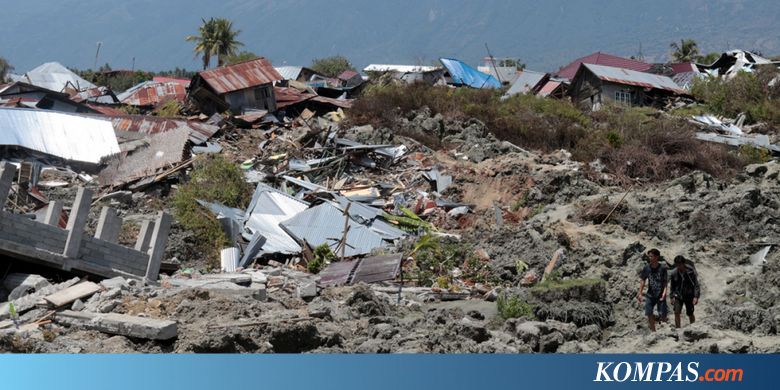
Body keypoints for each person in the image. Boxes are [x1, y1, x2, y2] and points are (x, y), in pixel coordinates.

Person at [637, 248, 668, 331]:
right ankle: (654, 331)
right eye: (649, 256)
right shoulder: (647, 268)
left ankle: (665, 331)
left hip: (661, 294)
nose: (649, 258)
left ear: (656, 257)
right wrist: (640, 293)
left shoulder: (662, 268)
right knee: (649, 312)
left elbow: (665, 282)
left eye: (651, 256)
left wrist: (664, 293)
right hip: (650, 294)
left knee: (663, 314)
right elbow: (643, 280)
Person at [669, 255, 700, 328]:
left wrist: (696, 296)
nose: (678, 266)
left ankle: (693, 327)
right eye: (677, 264)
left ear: (683, 263)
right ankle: (678, 328)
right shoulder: (674, 273)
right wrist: (671, 296)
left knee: (690, 313)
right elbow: (672, 286)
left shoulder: (690, 272)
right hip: (678, 295)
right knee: (676, 312)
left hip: (689, 295)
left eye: (680, 264)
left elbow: (696, 284)